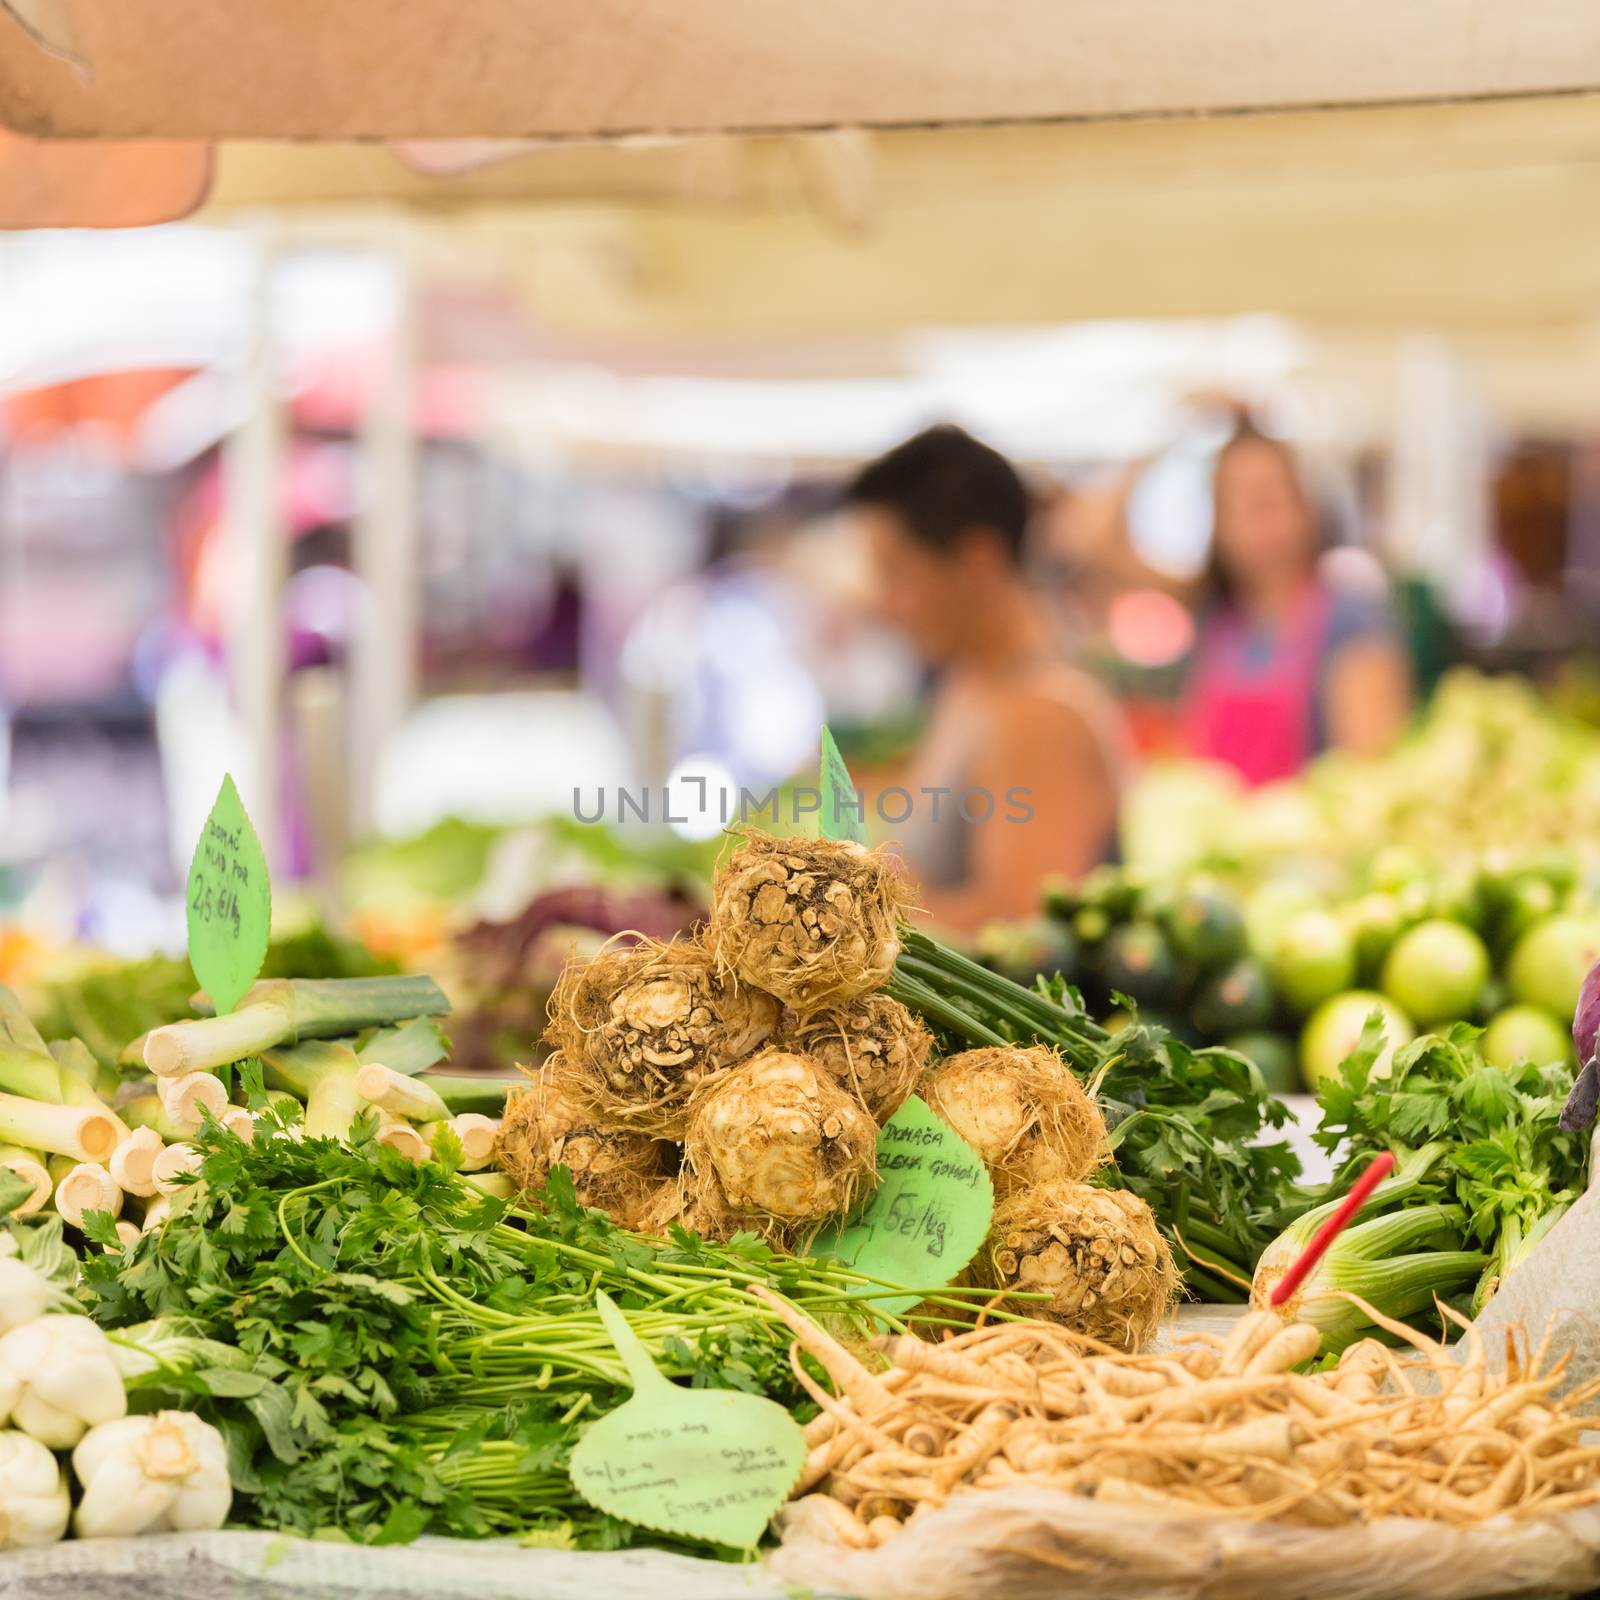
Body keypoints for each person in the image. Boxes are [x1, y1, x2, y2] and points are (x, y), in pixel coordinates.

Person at [846, 424, 1128, 935]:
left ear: (978, 561)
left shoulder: (1045, 713)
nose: (883, 604)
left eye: (896, 574)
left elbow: (1023, 930)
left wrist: (823, 926)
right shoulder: (969, 683)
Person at [1183, 423, 1412, 785]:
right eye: (1232, 506)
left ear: (1307, 507)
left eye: (1265, 502)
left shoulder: (1353, 619)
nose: (1251, 524)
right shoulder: (1217, 621)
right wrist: (1183, 426)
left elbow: (1370, 773)